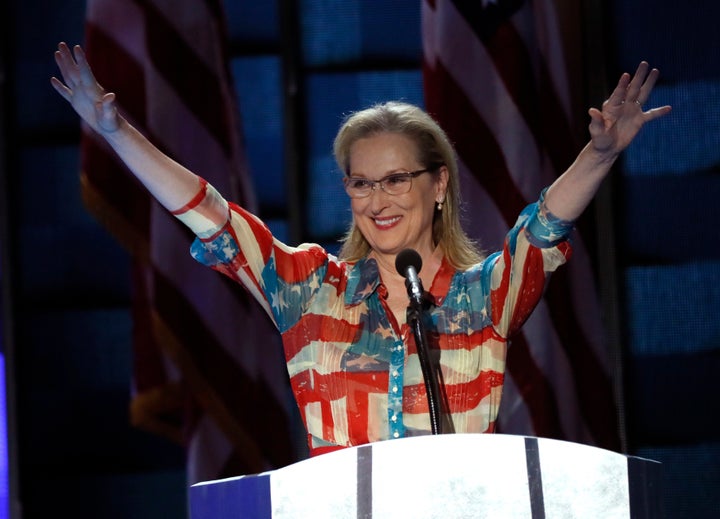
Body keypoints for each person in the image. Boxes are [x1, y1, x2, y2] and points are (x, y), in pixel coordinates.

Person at [51, 42, 671, 457]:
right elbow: (212, 216)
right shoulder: (307, 288)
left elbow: (542, 229)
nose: (378, 199)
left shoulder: (486, 295)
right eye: (361, 182)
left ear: (438, 184)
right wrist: (118, 133)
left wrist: (600, 153)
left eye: (397, 178)